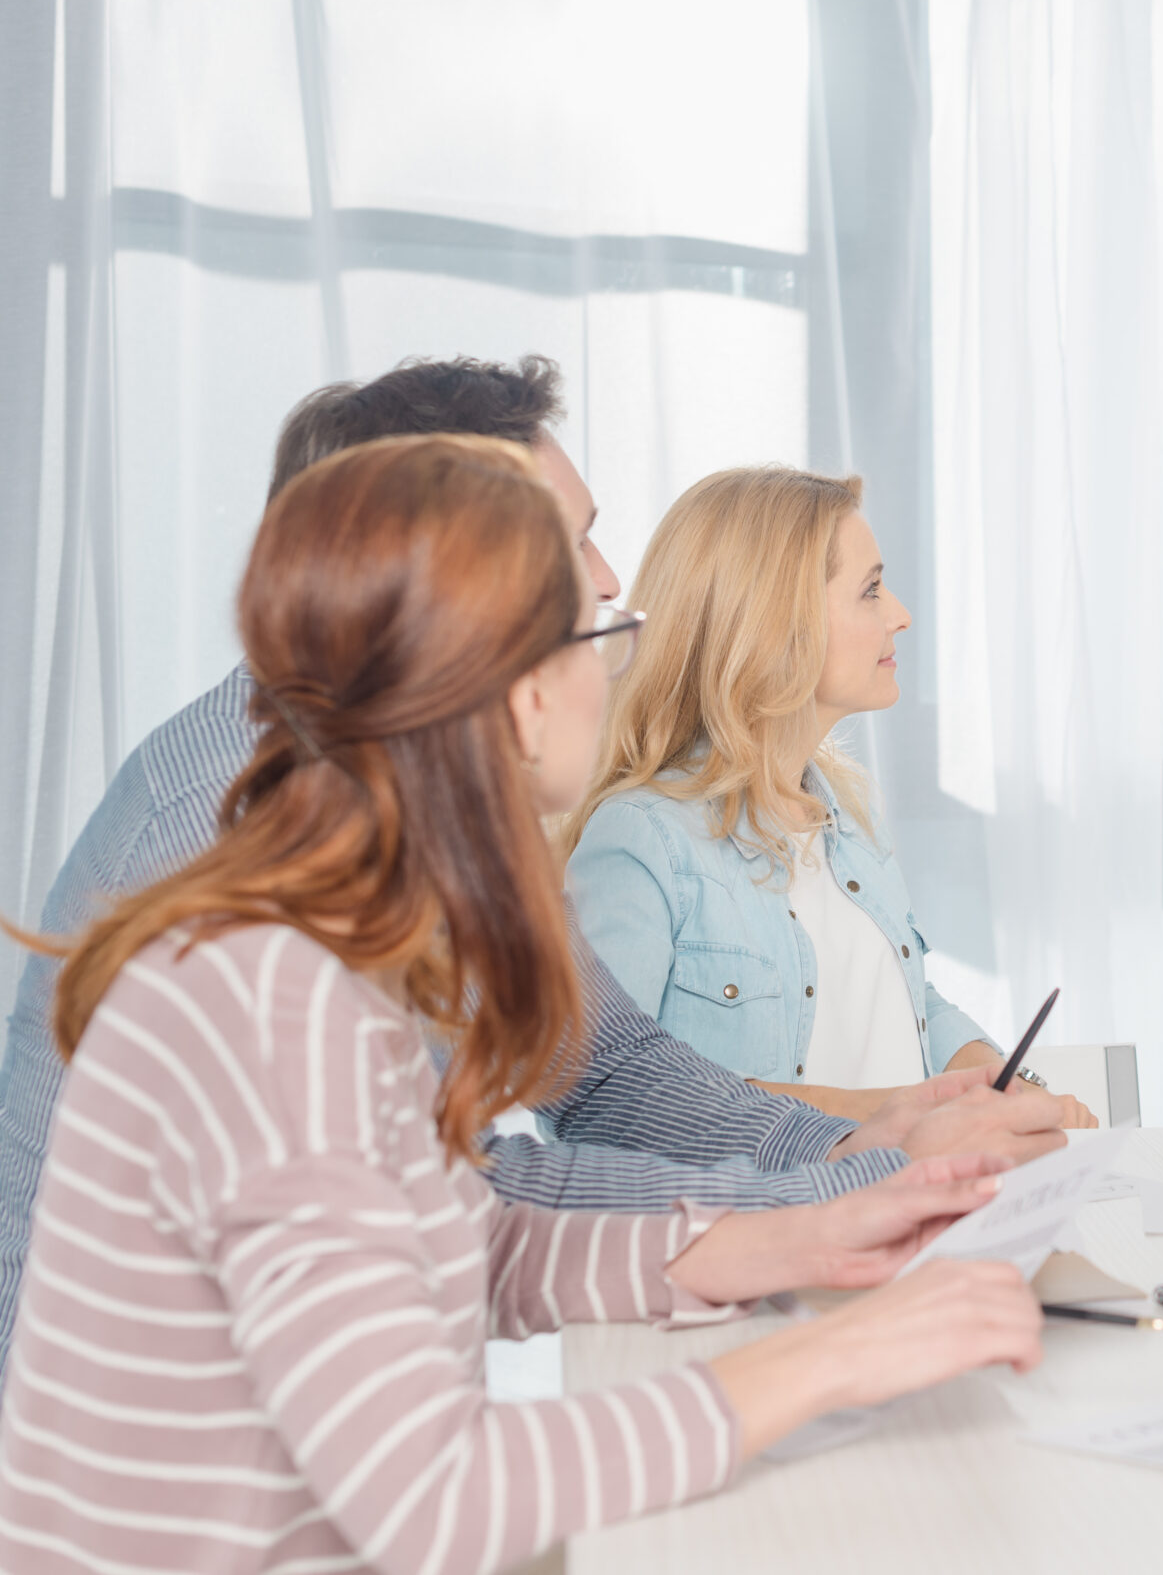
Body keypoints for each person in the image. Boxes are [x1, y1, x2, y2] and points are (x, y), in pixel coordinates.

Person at [0, 436, 1048, 1573]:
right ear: (518, 689)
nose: (617, 664)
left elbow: (472, 1239)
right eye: (596, 634)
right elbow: (436, 1494)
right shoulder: (274, 1001)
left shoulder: (343, 940)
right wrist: (826, 1362)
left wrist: (804, 1234)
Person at [564, 467, 1097, 1126]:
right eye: (870, 590)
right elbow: (595, 1101)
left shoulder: (850, 814)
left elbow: (904, 1002)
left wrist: (989, 1077)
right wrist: (894, 1117)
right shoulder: (642, 839)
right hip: (785, 1223)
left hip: (911, 1209)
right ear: (774, 622)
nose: (900, 614)